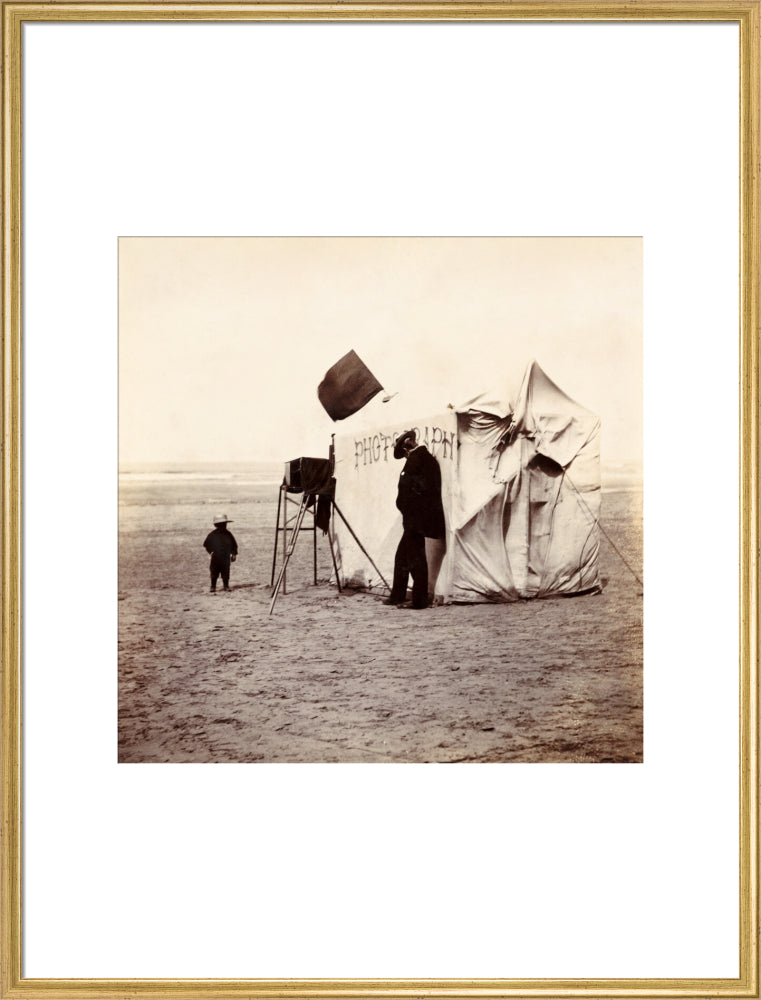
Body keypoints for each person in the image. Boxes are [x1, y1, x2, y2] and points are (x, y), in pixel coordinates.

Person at [384, 430, 445, 610]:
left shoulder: (420, 459)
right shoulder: (421, 459)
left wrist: (407, 507)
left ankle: (419, 600)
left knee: (416, 559)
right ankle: (397, 595)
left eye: (404, 451)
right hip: (413, 518)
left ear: (409, 444)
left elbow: (420, 490)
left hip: (416, 519)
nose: (405, 455)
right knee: (402, 557)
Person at [203, 514, 238, 593]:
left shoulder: (228, 534)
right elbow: (206, 544)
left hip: (226, 557)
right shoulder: (212, 534)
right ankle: (213, 586)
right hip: (215, 557)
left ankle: (226, 586)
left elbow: (234, 545)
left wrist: (234, 554)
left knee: (225, 571)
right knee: (214, 572)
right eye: (221, 524)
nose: (223, 526)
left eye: (224, 524)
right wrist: (211, 552)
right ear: (216, 525)